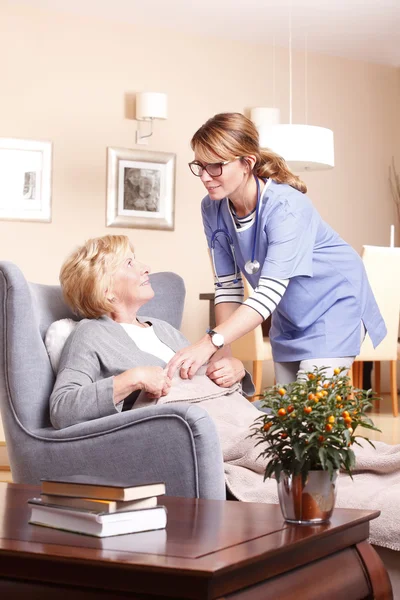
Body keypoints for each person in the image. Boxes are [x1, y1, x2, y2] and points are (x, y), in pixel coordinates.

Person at [166, 112, 386, 385]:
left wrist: (208, 343)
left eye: (215, 166)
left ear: (247, 163)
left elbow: (268, 291)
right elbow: (227, 285)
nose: (204, 176)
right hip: (289, 312)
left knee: (312, 412)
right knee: (287, 414)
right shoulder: (212, 207)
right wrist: (223, 353)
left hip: (334, 304)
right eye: (199, 165)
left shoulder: (287, 207)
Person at [49, 235, 252, 429]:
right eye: (129, 263)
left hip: (231, 414)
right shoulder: (90, 334)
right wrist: (132, 379)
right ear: (105, 289)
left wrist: (235, 370)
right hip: (195, 428)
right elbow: (62, 408)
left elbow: (205, 376)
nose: (146, 268)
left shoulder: (163, 328)